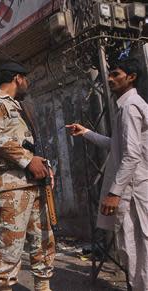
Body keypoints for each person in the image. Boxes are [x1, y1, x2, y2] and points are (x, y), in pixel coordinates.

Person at [66, 58, 148, 291]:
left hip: (135, 189)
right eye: (109, 74)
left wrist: (114, 193)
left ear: (131, 77)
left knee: (137, 246)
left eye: (116, 74)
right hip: (133, 188)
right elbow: (117, 146)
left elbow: (131, 156)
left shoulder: (130, 107)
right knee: (131, 246)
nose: (110, 79)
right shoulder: (126, 106)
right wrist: (87, 133)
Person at [0, 61, 55, 291]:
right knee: (11, 243)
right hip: (12, 186)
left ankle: (43, 285)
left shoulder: (20, 106)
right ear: (18, 78)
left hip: (35, 183)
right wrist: (29, 160)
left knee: (43, 238)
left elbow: (31, 144)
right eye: (26, 78)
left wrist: (44, 166)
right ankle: (5, 286)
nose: (27, 83)